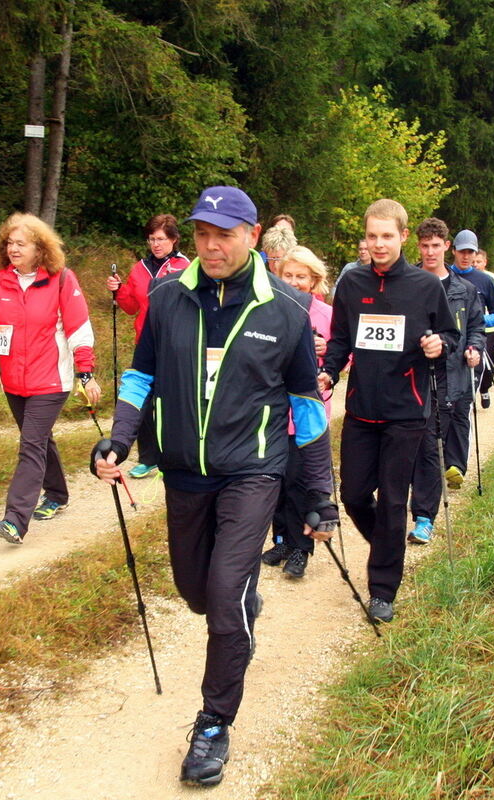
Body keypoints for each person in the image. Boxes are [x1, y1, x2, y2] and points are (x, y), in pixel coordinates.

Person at [92, 186, 336, 787]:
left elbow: (308, 409)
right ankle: (238, 609)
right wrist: (119, 440)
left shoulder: (285, 308)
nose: (210, 244)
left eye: (223, 234)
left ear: (252, 236)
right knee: (197, 594)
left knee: (223, 598)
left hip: (254, 472)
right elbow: (139, 375)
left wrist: (319, 496)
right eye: (202, 232)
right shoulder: (168, 297)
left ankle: (212, 724)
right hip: (185, 473)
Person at [318, 199, 459, 623]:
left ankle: (383, 589)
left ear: (402, 236)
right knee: (354, 494)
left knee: (395, 501)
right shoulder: (351, 282)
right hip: (362, 408)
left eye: (387, 236)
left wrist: (439, 345)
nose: (378, 244)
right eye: (372, 236)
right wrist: (328, 372)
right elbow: (341, 339)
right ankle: (388, 546)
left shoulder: (425, 286)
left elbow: (448, 335)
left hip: (407, 411)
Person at [0, 213, 100, 543]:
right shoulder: (1, 281)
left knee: (30, 444)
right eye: (9, 243)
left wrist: (86, 373)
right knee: (38, 440)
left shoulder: (62, 280)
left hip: (51, 381)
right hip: (13, 380)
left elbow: (79, 329)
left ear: (40, 249)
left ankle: (15, 519)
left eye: (20, 243)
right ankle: (57, 494)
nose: (13, 248)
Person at [408, 218, 484, 543]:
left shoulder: (464, 290)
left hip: (448, 377)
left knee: (430, 447)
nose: (429, 252)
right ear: (418, 246)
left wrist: (475, 347)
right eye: (424, 246)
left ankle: (424, 517)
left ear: (445, 247)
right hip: (408, 377)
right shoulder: (405, 282)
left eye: (435, 246)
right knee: (407, 447)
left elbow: (477, 328)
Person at [262, 245, 333, 577]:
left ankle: (302, 549)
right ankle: (282, 539)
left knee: (301, 483)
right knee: (276, 481)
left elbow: (343, 358)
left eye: (300, 276)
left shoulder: (326, 315)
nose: (293, 281)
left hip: (307, 415)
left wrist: (327, 351)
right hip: (274, 410)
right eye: (287, 275)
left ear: (314, 279)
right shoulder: (269, 310)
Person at [106, 214, 189, 478]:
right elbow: (131, 308)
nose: (156, 244)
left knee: (175, 399)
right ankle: (148, 458)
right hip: (146, 342)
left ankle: (176, 454)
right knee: (142, 400)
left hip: (177, 343)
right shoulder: (138, 269)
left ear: (174, 240)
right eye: (152, 239)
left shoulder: (186, 266)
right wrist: (118, 290)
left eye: (161, 239)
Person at [447, 229, 494, 417]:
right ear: (453, 251)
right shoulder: (444, 275)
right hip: (449, 344)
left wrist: (476, 321)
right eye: (462, 251)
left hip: (476, 340)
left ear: (476, 254)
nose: (466, 257)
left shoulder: (485, 280)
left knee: (466, 398)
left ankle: (480, 395)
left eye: (470, 252)